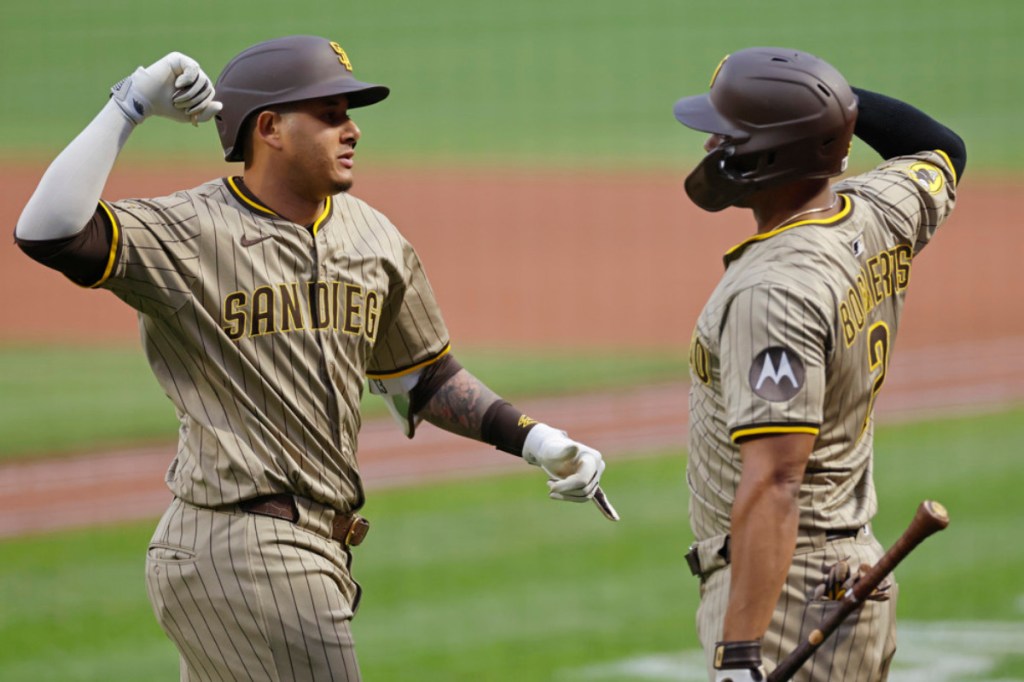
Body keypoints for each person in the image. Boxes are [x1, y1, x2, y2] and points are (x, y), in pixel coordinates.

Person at [14, 35, 617, 681]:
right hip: (246, 546)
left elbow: (421, 376)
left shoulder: (372, 235)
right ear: (269, 127)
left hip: (300, 551)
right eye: (329, 114)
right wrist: (130, 103)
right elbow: (49, 232)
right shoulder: (191, 230)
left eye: (349, 114)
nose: (352, 129)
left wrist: (534, 439)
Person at [671, 47, 965, 681]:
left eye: (727, 134)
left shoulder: (772, 291)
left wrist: (740, 655)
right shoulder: (877, 211)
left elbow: (776, 478)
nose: (710, 146)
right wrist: (821, 104)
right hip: (837, 570)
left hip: (786, 594)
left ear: (769, 155)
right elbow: (941, 149)